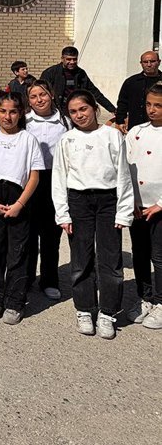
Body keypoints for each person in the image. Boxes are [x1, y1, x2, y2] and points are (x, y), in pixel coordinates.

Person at [52, 89, 133, 339]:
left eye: (83, 109)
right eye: (73, 111)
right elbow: (59, 177)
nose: (79, 115)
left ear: (95, 109)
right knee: (81, 258)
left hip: (108, 201)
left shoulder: (112, 135)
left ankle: (108, 312)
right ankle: (85, 308)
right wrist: (63, 214)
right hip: (79, 202)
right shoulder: (67, 140)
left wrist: (123, 212)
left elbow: (123, 175)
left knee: (110, 259)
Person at [0, 93, 44, 325]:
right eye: (3, 111)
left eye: (13, 111)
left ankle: (15, 301)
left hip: (19, 200)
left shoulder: (28, 139)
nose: (7, 116)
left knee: (18, 252)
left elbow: (34, 175)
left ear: (20, 113)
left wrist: (20, 204)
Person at [24, 80, 70, 300]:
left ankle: (49, 279)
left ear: (51, 95)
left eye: (42, 95)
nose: (39, 100)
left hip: (56, 180)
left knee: (51, 234)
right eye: (33, 96)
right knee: (29, 233)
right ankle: (27, 277)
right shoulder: (25, 122)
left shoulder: (65, 123)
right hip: (31, 180)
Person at [124, 83, 162, 329]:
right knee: (140, 253)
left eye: (158, 105)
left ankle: (160, 302)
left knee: (159, 256)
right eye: (148, 104)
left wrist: (160, 204)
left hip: (159, 208)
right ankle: (144, 296)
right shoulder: (136, 131)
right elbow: (125, 168)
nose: (152, 110)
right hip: (137, 206)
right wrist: (131, 200)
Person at [41, 46, 116, 113]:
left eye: (74, 59)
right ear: (62, 59)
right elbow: (41, 92)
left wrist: (112, 109)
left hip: (75, 110)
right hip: (55, 111)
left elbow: (95, 92)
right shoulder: (51, 73)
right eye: (69, 59)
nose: (72, 62)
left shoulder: (81, 73)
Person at [115, 51, 161, 132]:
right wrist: (120, 121)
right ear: (141, 63)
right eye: (145, 62)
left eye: (152, 61)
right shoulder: (131, 82)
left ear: (159, 62)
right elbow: (122, 103)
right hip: (135, 127)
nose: (149, 65)